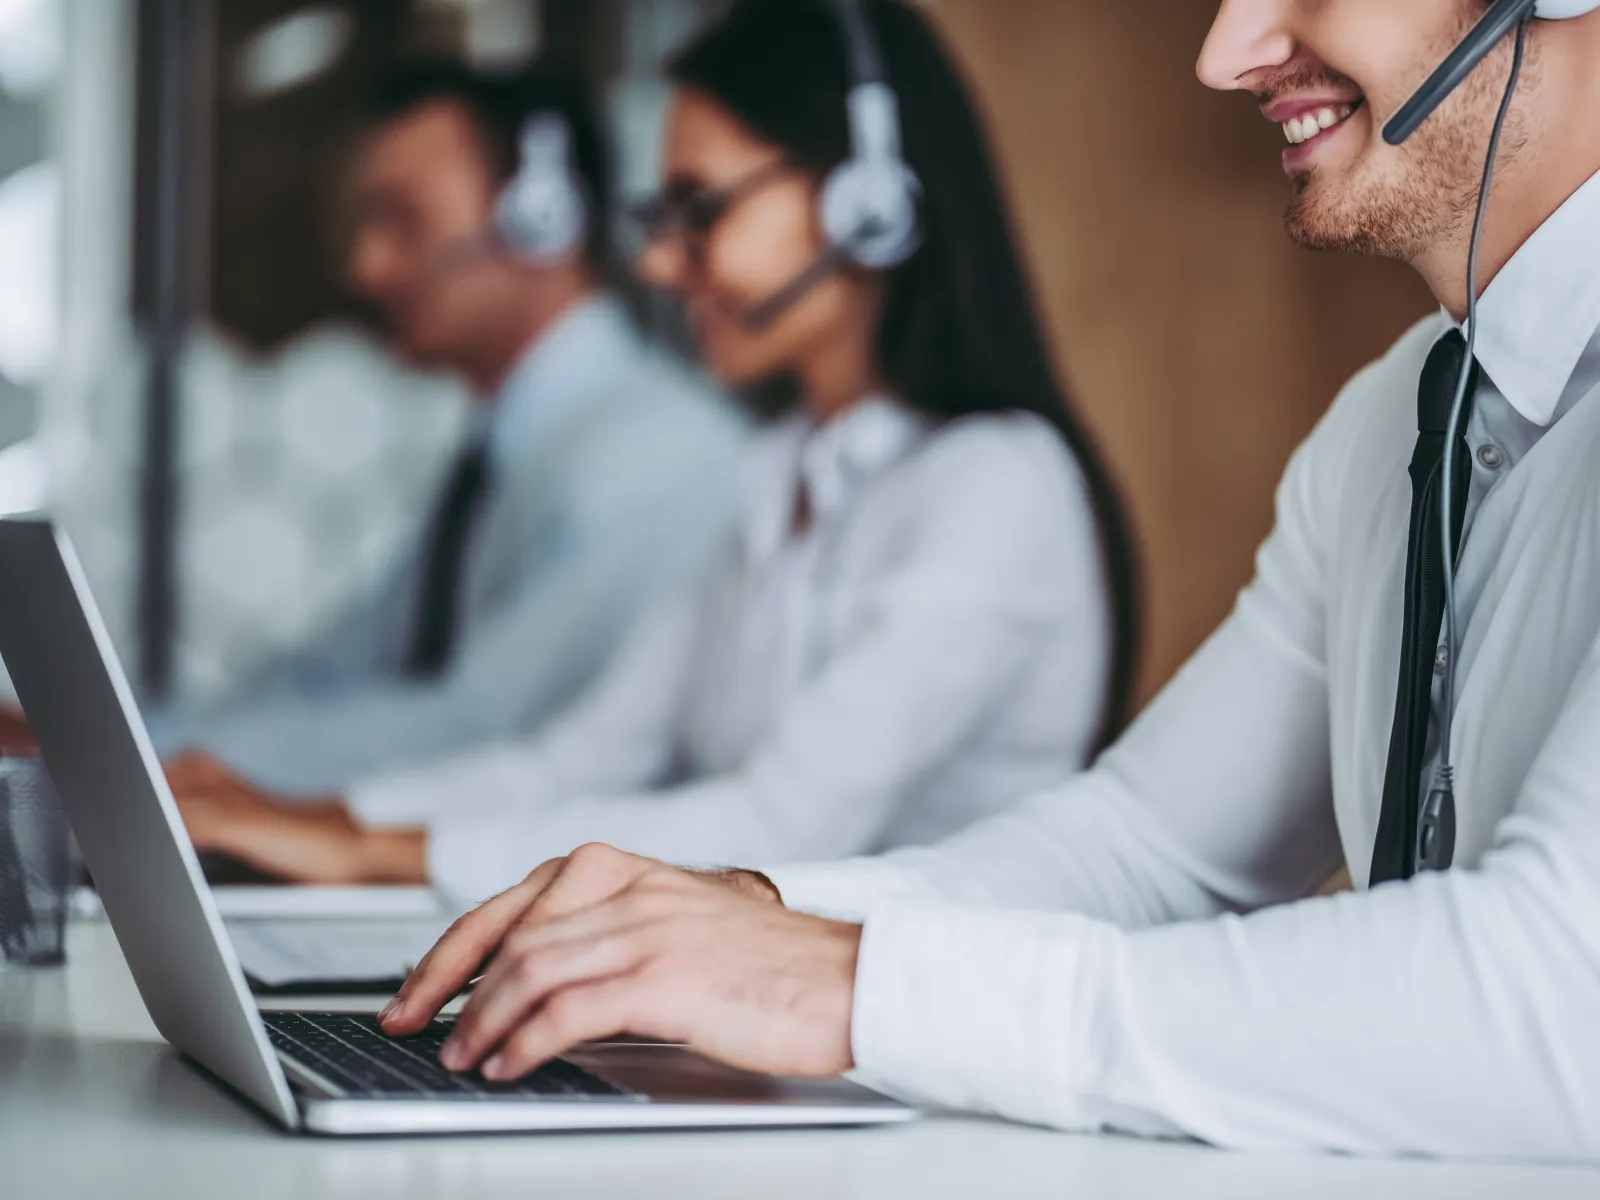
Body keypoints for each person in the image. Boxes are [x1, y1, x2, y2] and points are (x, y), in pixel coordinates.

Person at [378, 0, 1600, 1162]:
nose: (1226, 53)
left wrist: (853, 986)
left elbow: (1561, 1000)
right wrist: (742, 914)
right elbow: (1149, 850)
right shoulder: (1397, 415)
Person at [166, 0, 1141, 899]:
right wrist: (315, 820)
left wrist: (370, 852)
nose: (659, 263)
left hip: (927, 1053)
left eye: (701, 211)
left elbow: (785, 822)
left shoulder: (997, 486)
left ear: (867, 202)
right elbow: (575, 758)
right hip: (768, 1027)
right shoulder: (783, 472)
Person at [152, 62, 748, 797]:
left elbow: (475, 724)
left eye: (403, 220)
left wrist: (139, 763)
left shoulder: (654, 453)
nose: (366, 267)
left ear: (543, 218)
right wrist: (117, 738)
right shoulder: (498, 454)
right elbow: (335, 676)